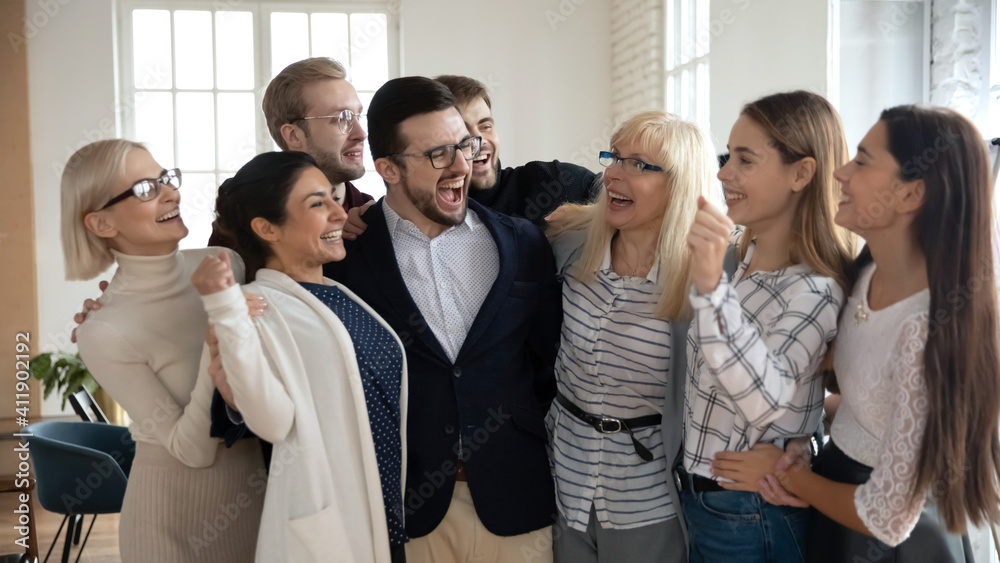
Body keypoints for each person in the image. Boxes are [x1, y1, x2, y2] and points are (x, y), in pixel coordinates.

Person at [712, 105, 1000, 562]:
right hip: (834, 494)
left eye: (862, 161)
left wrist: (788, 475)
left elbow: (888, 517)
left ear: (911, 194)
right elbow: (871, 407)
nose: (840, 173)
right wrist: (799, 442)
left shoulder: (924, 329)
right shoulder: (865, 272)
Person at [327, 76, 562, 562]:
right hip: (407, 509)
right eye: (438, 154)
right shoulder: (347, 262)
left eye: (464, 145)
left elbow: (550, 364)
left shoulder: (522, 243)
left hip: (517, 497)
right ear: (388, 168)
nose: (461, 165)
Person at [192, 150, 407, 562]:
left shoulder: (341, 296)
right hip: (330, 528)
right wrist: (223, 309)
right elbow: (272, 422)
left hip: (385, 517)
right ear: (266, 228)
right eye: (317, 203)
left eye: (333, 198)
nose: (339, 213)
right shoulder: (252, 308)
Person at [63, 139, 263, 562]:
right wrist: (217, 334)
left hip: (260, 505)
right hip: (170, 526)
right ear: (101, 223)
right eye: (145, 189)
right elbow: (191, 449)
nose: (171, 192)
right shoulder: (103, 330)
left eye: (165, 178)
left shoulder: (225, 262)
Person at [679, 91, 855, 562]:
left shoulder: (816, 289)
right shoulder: (746, 261)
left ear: (801, 174)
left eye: (745, 160)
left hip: (750, 512)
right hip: (708, 504)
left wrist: (711, 288)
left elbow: (765, 398)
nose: (723, 173)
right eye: (727, 157)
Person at [543, 111, 715, 563]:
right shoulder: (570, 243)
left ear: (678, 185)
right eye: (615, 157)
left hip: (648, 497)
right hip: (563, 481)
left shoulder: (706, 275)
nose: (613, 174)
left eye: (638, 164)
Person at [208, 57, 372, 247]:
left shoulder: (372, 215)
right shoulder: (244, 223)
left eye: (358, 116)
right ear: (293, 135)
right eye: (341, 118)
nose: (361, 134)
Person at [434, 75, 602, 224]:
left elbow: (615, 198)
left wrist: (590, 215)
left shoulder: (550, 182)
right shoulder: (428, 215)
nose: (481, 140)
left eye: (486, 126)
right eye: (463, 132)